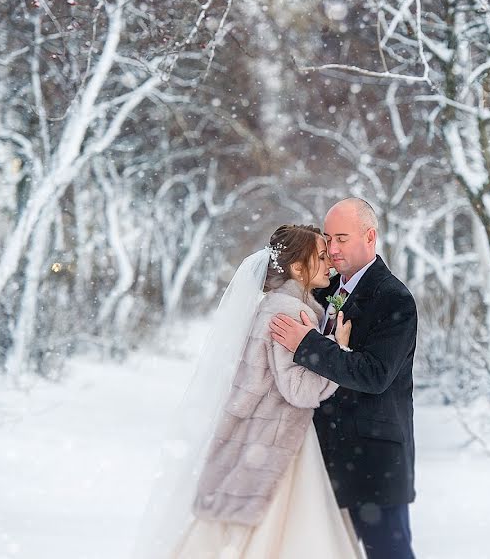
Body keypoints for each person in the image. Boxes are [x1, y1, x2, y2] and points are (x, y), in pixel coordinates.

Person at [132, 224, 364, 559]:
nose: (330, 262)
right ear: (298, 268)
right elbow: (298, 390)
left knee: (245, 535)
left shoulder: (275, 305)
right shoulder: (289, 312)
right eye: (322, 255)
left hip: (261, 437)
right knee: (290, 532)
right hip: (278, 440)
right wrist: (337, 351)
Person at [270, 198, 418, 559]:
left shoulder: (393, 298)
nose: (332, 250)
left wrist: (310, 346)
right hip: (326, 456)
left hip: (375, 461)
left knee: (389, 553)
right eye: (328, 239)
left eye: (342, 238)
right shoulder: (324, 290)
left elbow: (375, 374)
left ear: (370, 236)